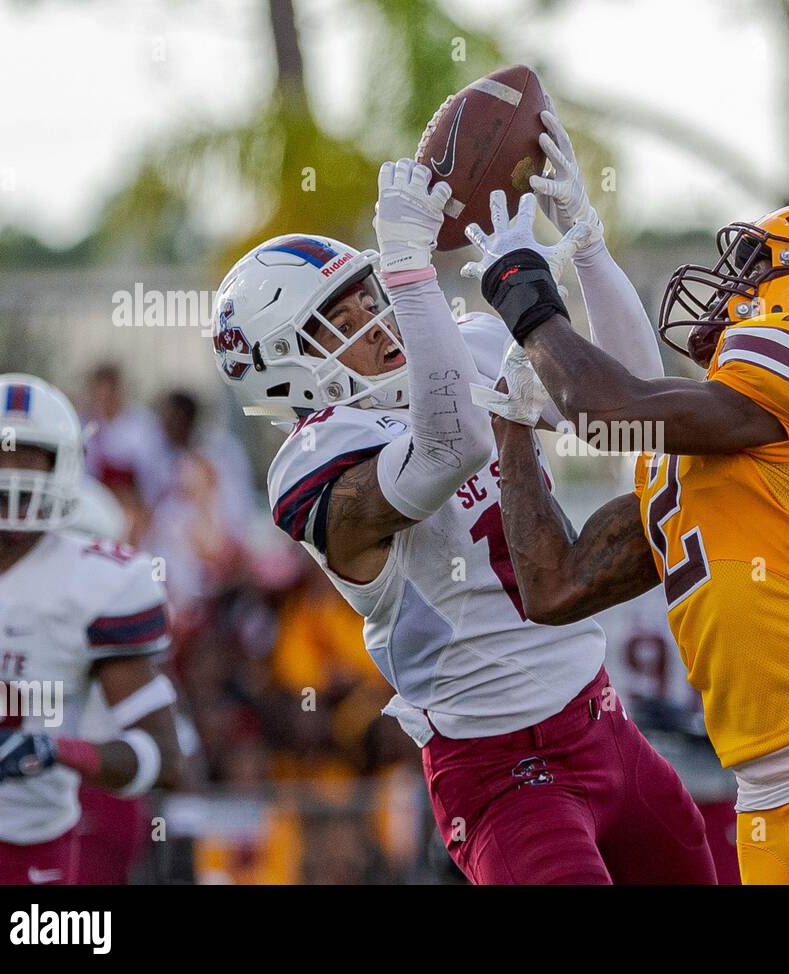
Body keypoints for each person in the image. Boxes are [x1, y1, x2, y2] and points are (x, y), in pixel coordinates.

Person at [210, 148, 715, 885]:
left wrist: (585, 240)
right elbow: (452, 444)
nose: (376, 323)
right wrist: (412, 270)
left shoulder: (459, 348)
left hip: (606, 723)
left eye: (370, 296)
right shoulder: (311, 461)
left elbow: (631, 408)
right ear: (285, 366)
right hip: (501, 769)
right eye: (338, 321)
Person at [470, 196, 789, 884]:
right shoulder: (696, 441)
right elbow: (554, 587)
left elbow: (609, 410)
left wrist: (523, 293)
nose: (729, 286)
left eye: (757, 267)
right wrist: (514, 429)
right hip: (763, 794)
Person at [0, 374, 183, 884]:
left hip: (21, 851)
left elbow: (165, 759)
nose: (9, 476)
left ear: (63, 466)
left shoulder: (98, 581)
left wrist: (55, 750)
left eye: (27, 456)